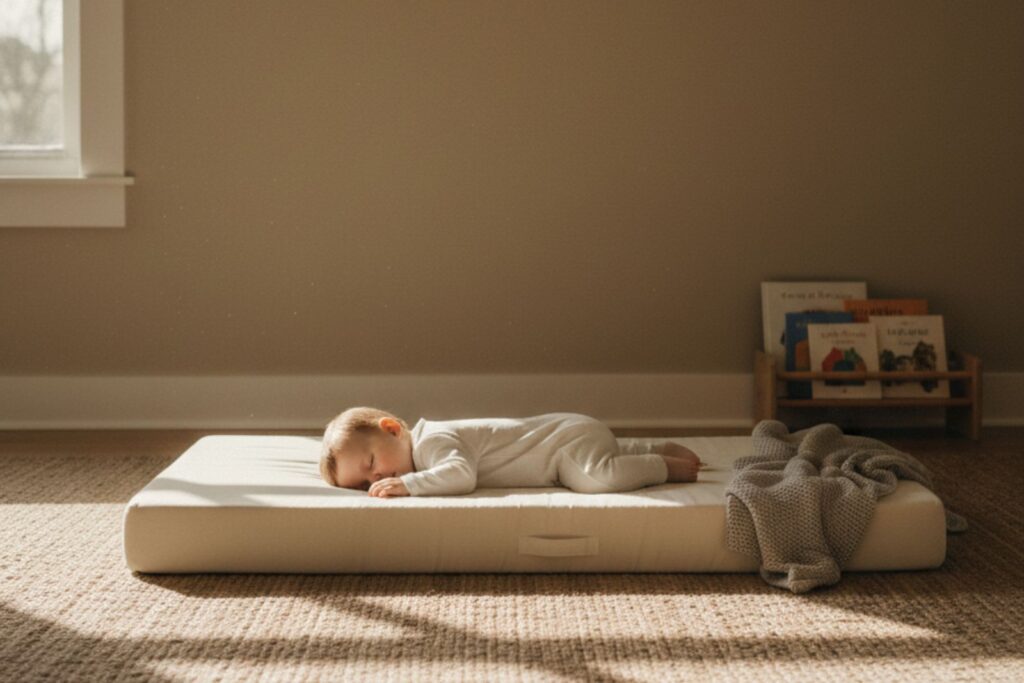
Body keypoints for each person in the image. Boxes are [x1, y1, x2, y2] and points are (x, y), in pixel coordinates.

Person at [319, 406, 702, 498]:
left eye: (371, 463)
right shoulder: (421, 447)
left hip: (563, 445)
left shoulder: (431, 442)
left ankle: (660, 465)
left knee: (595, 478)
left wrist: (411, 485)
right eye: (364, 482)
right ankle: (640, 447)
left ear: (392, 429)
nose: (378, 478)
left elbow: (461, 475)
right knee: (596, 464)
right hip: (574, 434)